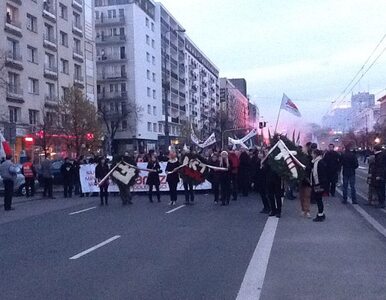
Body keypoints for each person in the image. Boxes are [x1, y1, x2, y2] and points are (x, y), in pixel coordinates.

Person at [310, 149, 328, 222]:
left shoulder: (319, 163)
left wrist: (320, 185)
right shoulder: (317, 162)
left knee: (318, 199)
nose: (311, 155)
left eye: (312, 153)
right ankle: (321, 214)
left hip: (319, 184)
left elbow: (321, 174)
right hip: (319, 184)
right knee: (318, 199)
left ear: (315, 154)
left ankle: (320, 215)